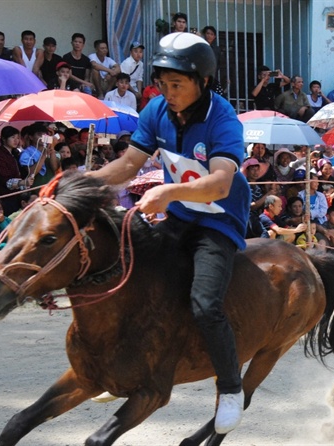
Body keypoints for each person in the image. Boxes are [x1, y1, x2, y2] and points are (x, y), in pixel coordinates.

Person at [89, 32, 250, 434]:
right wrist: (81, 183)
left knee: (204, 303)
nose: (168, 92)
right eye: (162, 83)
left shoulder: (223, 118)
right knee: (131, 275)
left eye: (177, 84)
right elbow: (128, 166)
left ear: (204, 81)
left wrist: (167, 192)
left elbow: (219, 185)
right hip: (178, 215)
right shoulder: (155, 110)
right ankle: (125, 364)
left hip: (217, 221)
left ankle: (230, 388)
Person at [0, 126, 33, 214]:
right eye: (13, 137)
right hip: (6, 196)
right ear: (4, 139)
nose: (16, 140)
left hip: (17, 195)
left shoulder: (15, 154)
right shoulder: (0, 157)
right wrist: (22, 182)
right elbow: (6, 181)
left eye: (17, 138)